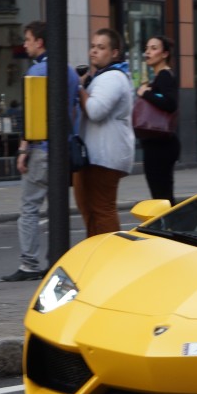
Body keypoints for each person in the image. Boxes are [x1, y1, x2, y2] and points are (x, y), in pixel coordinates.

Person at [1, 21, 81, 282]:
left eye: (28, 39)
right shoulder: (68, 72)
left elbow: (32, 115)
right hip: (62, 150)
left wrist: (23, 149)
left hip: (41, 149)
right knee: (57, 207)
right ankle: (57, 260)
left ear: (40, 42)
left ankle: (28, 263)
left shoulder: (37, 71)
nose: (25, 44)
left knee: (29, 208)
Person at [74, 28, 134, 237]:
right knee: (92, 211)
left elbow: (95, 110)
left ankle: (111, 258)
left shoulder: (113, 77)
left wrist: (79, 87)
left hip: (105, 157)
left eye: (101, 47)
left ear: (115, 53)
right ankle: (98, 256)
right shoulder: (103, 77)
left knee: (101, 210)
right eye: (92, 46)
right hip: (98, 155)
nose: (94, 52)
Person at [136, 35, 179, 203]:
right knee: (162, 196)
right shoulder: (160, 76)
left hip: (160, 145)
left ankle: (170, 228)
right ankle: (169, 227)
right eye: (147, 48)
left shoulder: (164, 75)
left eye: (154, 48)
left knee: (162, 198)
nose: (148, 52)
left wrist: (145, 93)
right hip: (159, 144)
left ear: (164, 54)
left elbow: (171, 103)